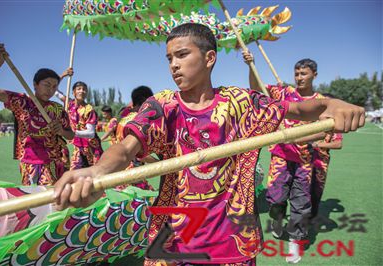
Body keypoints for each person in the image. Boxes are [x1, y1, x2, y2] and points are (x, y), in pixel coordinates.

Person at [54, 23, 365, 266]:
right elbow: (125, 149)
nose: (173, 65)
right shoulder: (161, 105)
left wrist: (334, 104)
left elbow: (300, 109)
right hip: (172, 238)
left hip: (230, 239)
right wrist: (96, 172)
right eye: (169, 58)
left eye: (182, 55)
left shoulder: (242, 101)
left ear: (209, 57)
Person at [243, 52, 337, 263]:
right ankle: (277, 221)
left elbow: (325, 132)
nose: (299, 77)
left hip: (305, 161)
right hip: (280, 158)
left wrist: (295, 136)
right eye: (297, 73)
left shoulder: (321, 102)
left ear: (314, 75)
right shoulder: (284, 92)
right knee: (276, 200)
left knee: (301, 203)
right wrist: (251, 65)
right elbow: (257, 88)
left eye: (304, 73)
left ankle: (296, 242)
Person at [0, 40, 74, 185]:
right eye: (46, 85)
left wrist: (61, 131)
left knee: (55, 202)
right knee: (38, 203)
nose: (50, 90)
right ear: (35, 84)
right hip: (30, 164)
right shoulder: (21, 101)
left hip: (56, 162)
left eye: (54, 87)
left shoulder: (58, 109)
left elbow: (71, 134)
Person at [55, 75, 103, 170]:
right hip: (78, 147)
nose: (82, 91)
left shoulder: (89, 109)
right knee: (74, 172)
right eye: (79, 89)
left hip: (92, 147)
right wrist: (63, 75)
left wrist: (73, 133)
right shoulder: (69, 103)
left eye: (84, 89)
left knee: (96, 174)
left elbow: (91, 134)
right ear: (73, 92)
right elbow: (55, 91)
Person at [310, 93, 343, 219]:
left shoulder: (334, 123)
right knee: (300, 190)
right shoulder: (311, 119)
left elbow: (338, 143)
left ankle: (312, 215)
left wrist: (318, 145)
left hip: (321, 162)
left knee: (316, 190)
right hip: (303, 159)